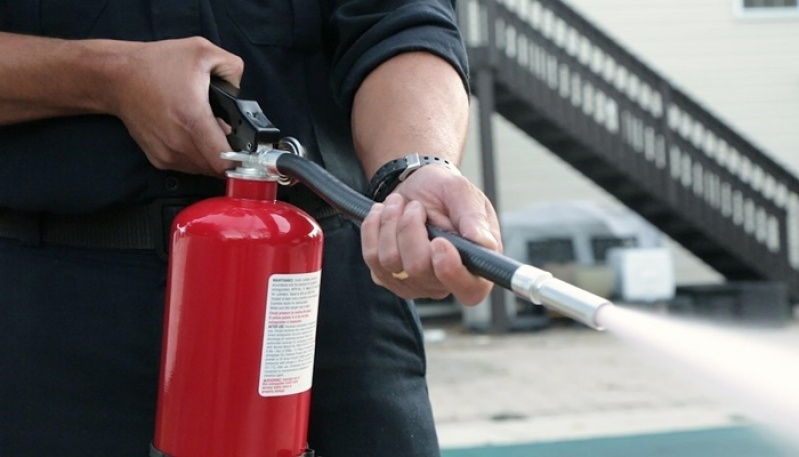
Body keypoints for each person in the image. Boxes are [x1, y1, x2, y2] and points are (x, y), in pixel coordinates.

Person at [0, 1, 502, 456]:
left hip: (325, 300)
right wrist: (106, 77)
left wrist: (413, 170)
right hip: (48, 316)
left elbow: (400, 19)